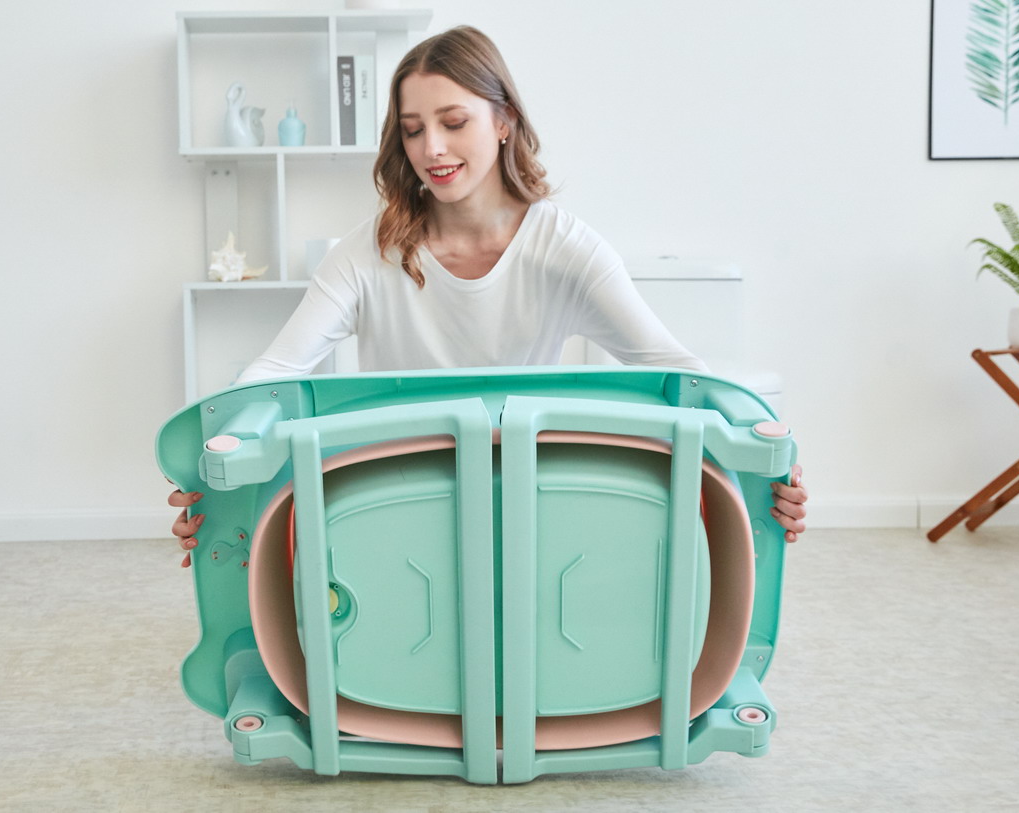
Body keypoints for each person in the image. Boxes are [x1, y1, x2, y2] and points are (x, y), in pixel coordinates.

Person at [169, 26, 807, 566]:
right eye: (413, 130)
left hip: (525, 502)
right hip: (390, 499)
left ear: (504, 121)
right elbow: (273, 375)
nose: (432, 149)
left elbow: (678, 373)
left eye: (453, 122)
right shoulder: (367, 253)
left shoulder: (565, 248)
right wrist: (205, 481)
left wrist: (771, 471)